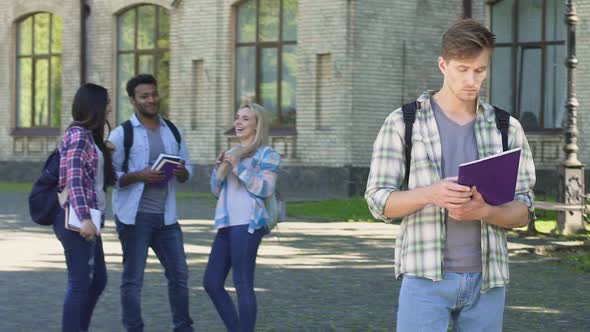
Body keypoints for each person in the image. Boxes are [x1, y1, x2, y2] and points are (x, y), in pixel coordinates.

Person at [365, 19, 536, 331]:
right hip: (424, 279)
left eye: (480, 70)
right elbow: (378, 202)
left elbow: (524, 210)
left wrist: (486, 211)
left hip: (489, 281)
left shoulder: (506, 128)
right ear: (443, 65)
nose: (471, 79)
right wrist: (430, 193)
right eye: (462, 68)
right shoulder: (403, 122)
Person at [108, 74, 194, 332]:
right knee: (133, 280)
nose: (152, 99)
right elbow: (111, 177)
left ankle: (183, 327)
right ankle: (134, 328)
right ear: (133, 101)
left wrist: (181, 172)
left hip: (167, 218)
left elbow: (188, 169)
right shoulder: (122, 133)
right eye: (145, 96)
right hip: (135, 219)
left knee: (179, 276)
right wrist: (139, 175)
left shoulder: (172, 130)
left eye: (154, 94)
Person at [203, 103, 281, 332]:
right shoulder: (232, 152)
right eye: (237, 117)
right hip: (226, 224)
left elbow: (265, 189)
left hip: (248, 225)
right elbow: (216, 191)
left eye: (245, 119)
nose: (238, 122)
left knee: (242, 283)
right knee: (211, 282)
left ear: (258, 125)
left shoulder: (268, 154)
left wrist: (238, 169)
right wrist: (220, 168)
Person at [55, 83, 117, 332]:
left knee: (98, 280)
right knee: (80, 283)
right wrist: (85, 219)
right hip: (76, 219)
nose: (110, 107)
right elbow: (75, 179)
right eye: (107, 102)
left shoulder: (91, 137)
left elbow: (97, 179)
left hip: (88, 217)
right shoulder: (79, 136)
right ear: (96, 106)